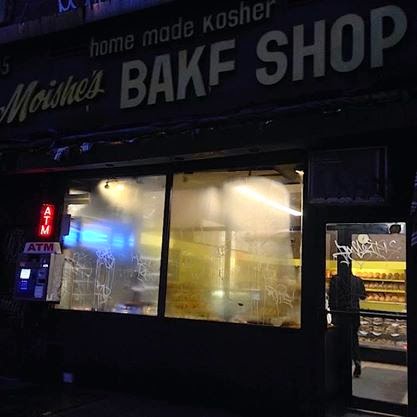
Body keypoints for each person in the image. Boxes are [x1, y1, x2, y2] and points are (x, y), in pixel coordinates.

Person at [329, 264, 367, 378]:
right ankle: (357, 361)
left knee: (340, 339)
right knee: (353, 339)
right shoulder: (358, 280)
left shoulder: (335, 280)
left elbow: (331, 297)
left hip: (340, 315)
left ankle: (341, 365)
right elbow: (363, 296)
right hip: (354, 314)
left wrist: (332, 312)